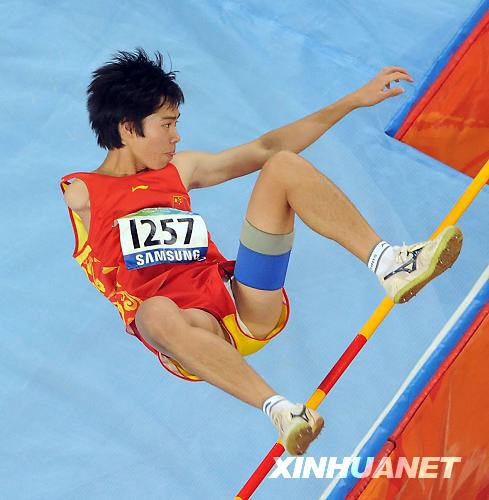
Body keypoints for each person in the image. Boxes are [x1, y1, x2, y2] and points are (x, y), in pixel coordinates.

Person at [61, 48, 462, 456]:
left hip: (242, 301)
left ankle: (389, 263)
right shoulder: (82, 194)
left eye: (176, 123)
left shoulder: (179, 170)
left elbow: (268, 146)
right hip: (190, 330)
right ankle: (281, 411)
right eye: (167, 124)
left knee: (283, 164)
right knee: (153, 312)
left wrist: (352, 101)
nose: (176, 136)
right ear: (128, 128)